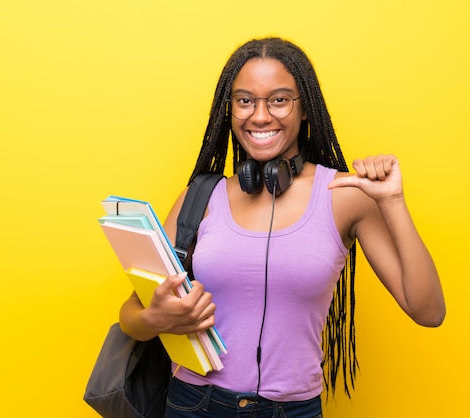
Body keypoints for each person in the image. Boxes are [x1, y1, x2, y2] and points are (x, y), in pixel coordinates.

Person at [119, 37, 446, 418]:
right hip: (194, 404)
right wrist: (154, 320)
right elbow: (131, 315)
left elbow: (429, 311)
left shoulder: (344, 194)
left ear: (304, 108)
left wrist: (392, 202)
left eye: (278, 99)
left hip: (291, 410)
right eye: (245, 101)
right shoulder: (200, 197)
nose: (260, 116)